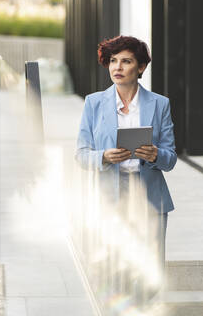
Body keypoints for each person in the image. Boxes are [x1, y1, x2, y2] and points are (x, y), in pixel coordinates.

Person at [75, 35, 177, 302]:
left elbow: (171, 158)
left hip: (150, 197)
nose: (117, 67)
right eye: (113, 61)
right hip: (110, 195)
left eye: (126, 61)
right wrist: (104, 157)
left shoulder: (159, 104)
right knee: (114, 273)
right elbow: (81, 154)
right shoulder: (94, 103)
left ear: (141, 67)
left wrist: (155, 154)